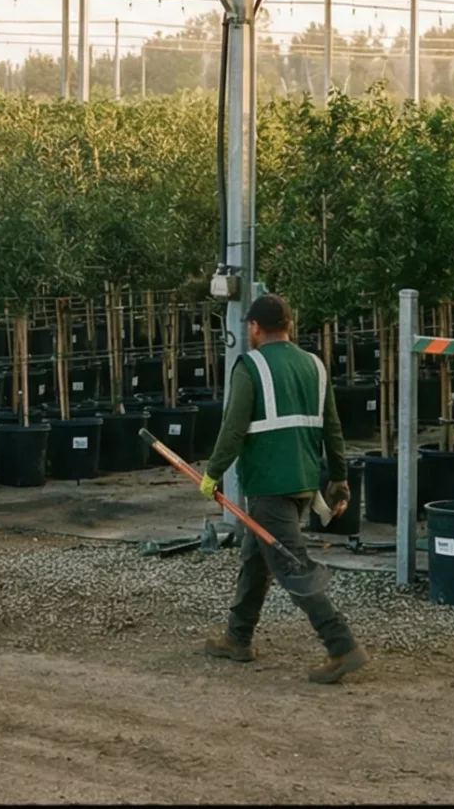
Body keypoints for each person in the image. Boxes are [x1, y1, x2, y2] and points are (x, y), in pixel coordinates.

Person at [198, 292, 365, 684]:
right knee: (256, 558)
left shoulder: (250, 366)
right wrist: (339, 480)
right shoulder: (315, 366)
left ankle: (341, 645)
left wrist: (212, 472)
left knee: (292, 567)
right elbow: (333, 428)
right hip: (304, 482)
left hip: (269, 484)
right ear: (289, 325)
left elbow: (233, 427)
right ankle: (238, 637)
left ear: (255, 328)